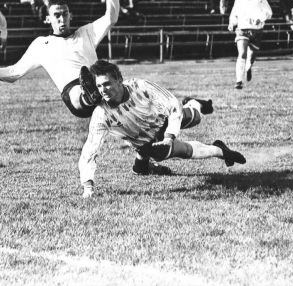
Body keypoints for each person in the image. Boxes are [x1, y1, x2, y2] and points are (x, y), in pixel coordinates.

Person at [79, 60, 245, 198]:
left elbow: (173, 105)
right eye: (99, 86)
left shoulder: (140, 86)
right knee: (177, 152)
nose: (103, 90)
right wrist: (88, 187)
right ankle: (220, 150)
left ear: (119, 80)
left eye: (107, 84)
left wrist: (169, 136)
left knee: (195, 117)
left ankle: (194, 103)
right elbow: (90, 150)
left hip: (163, 118)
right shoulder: (102, 114)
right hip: (147, 142)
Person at [227, 0, 273, 90]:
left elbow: (269, 13)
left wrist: (260, 19)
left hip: (256, 31)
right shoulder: (239, 0)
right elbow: (234, 14)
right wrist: (232, 23)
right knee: (242, 53)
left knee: (251, 56)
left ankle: (248, 67)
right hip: (242, 30)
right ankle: (239, 81)